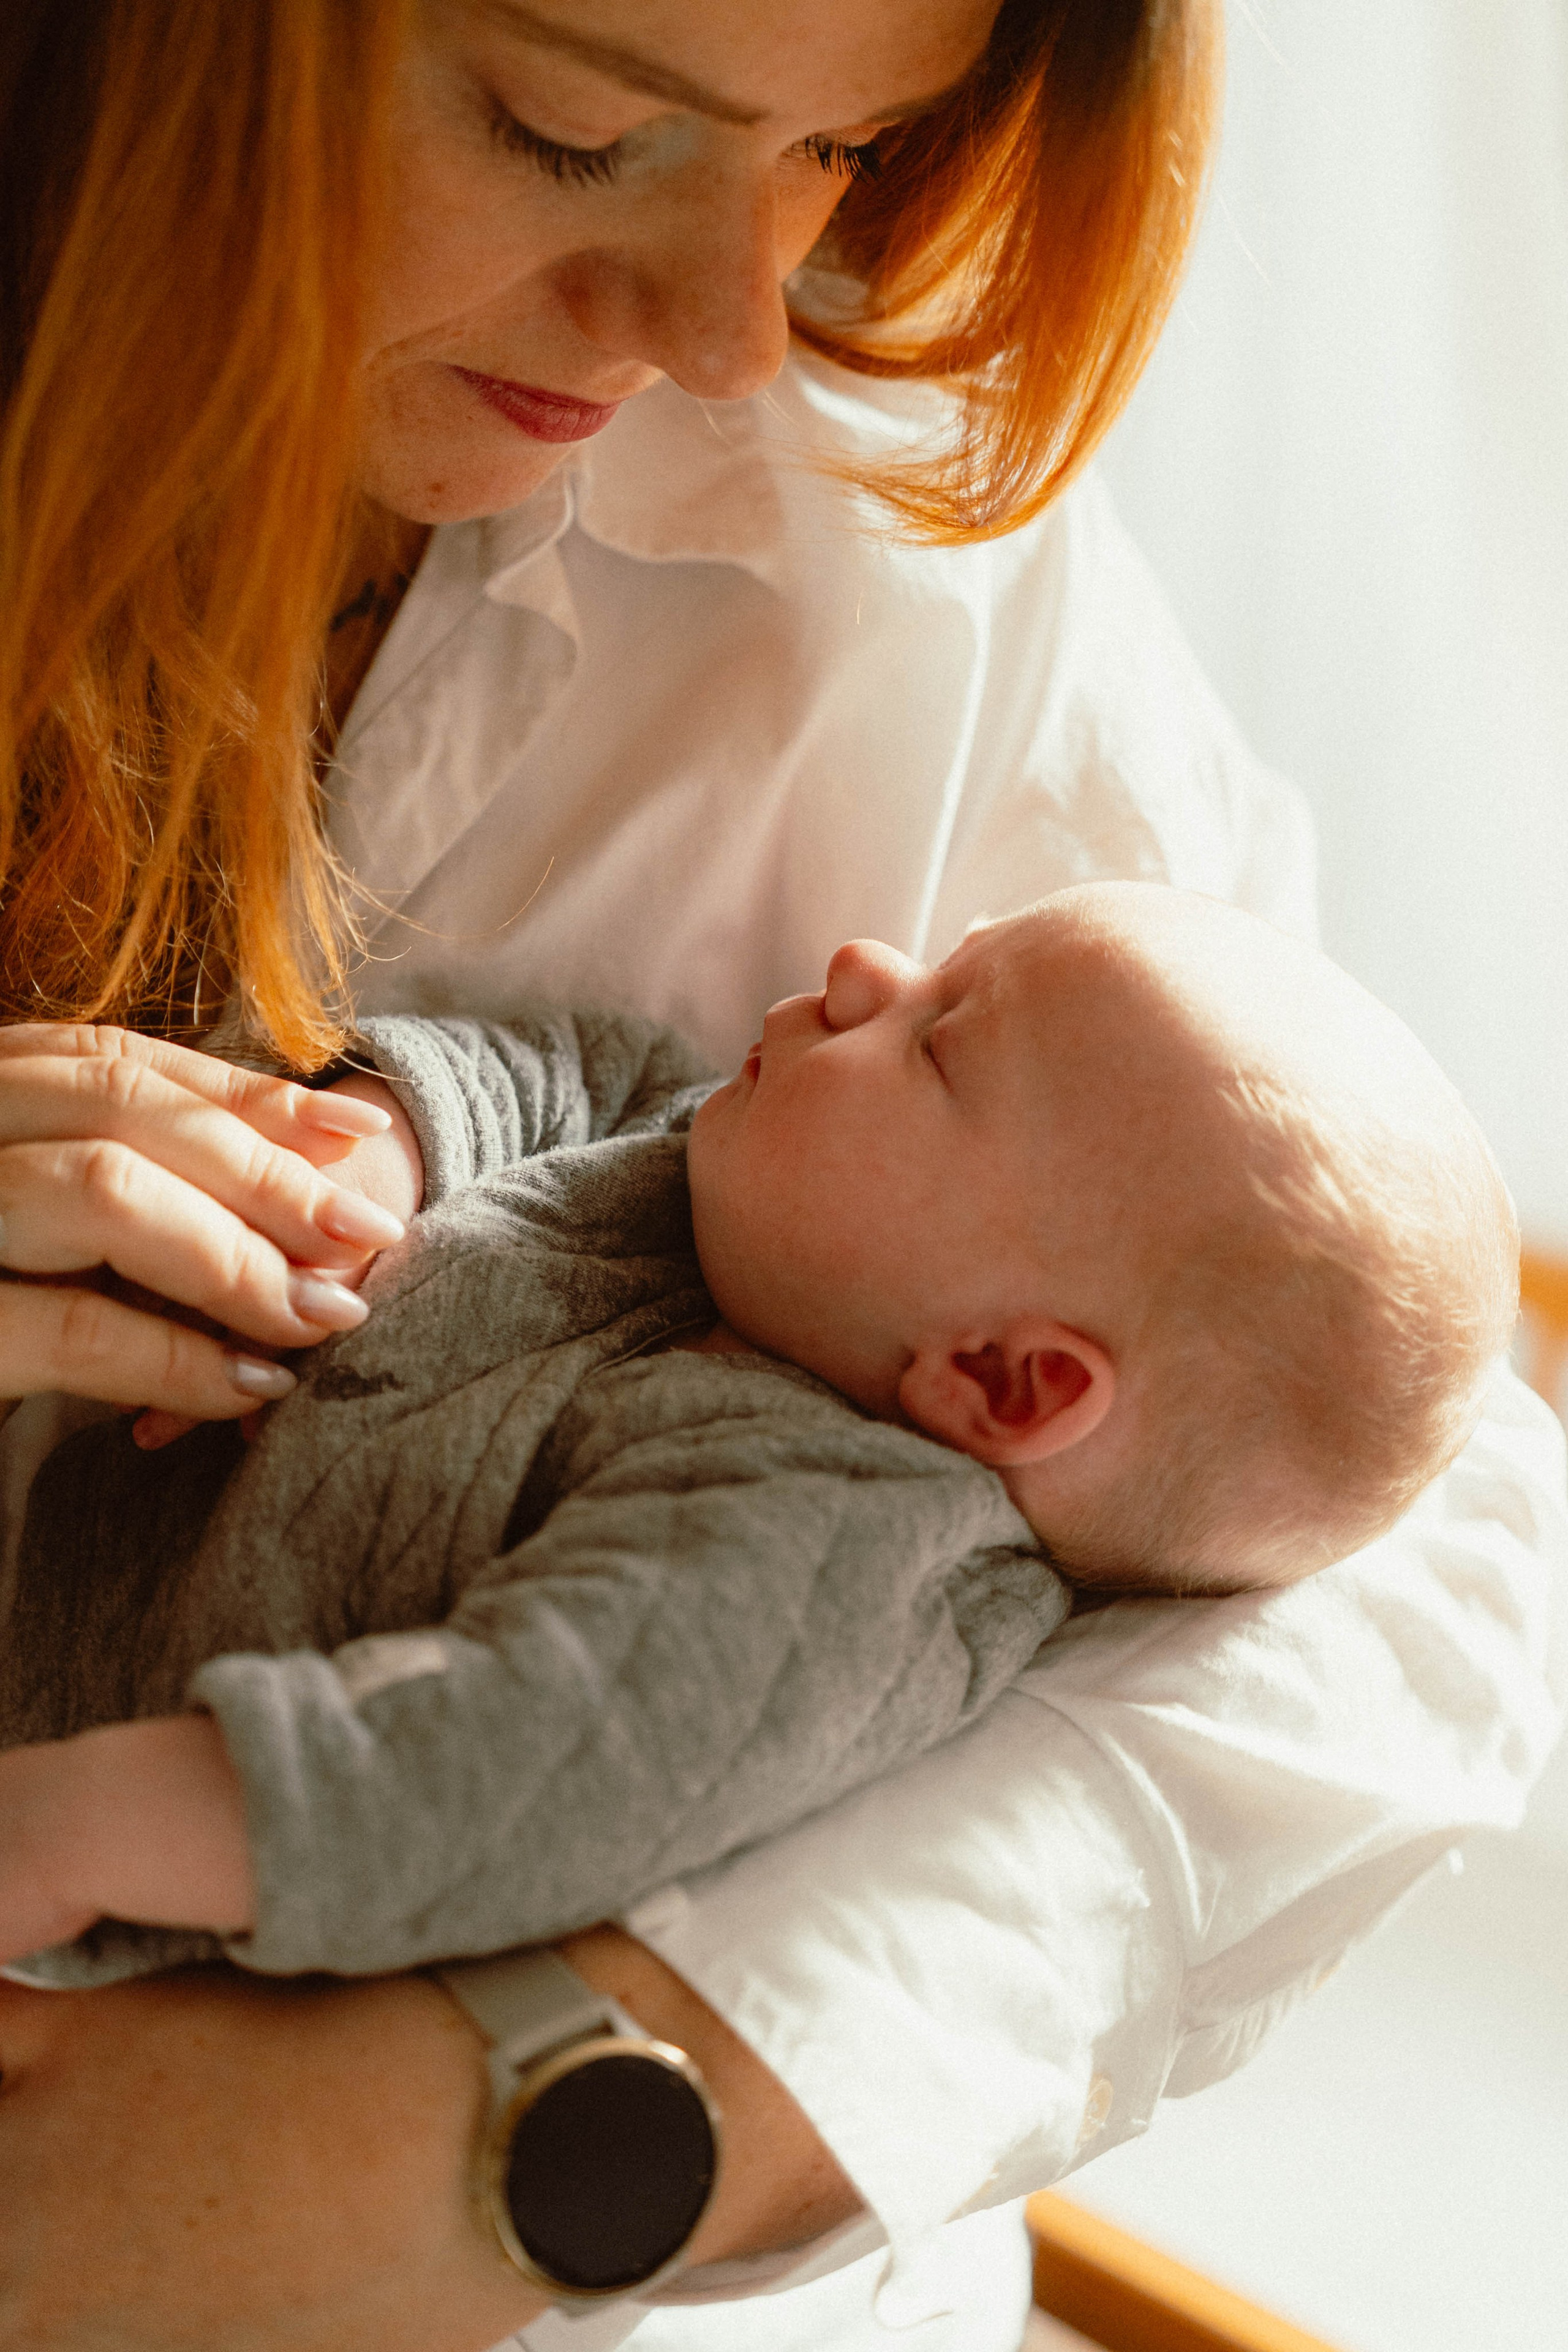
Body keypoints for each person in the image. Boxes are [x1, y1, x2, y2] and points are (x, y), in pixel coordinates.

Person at [0, 3, 1562, 2349]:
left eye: (848, 147)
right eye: (571, 131)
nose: (738, 329)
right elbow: (568, 1084)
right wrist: (410, 1123)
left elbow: (1403, 1537)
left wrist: (538, 2124)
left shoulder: (899, 557)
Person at [0, 884, 1521, 1990]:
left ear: (1000, 1381)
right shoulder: (730, 1186)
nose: (867, 965)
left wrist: (72, 1835)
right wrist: (383, 1152)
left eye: (938, 1042)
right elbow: (575, 1070)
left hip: (102, 1853)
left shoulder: (830, 1549)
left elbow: (517, 1756)